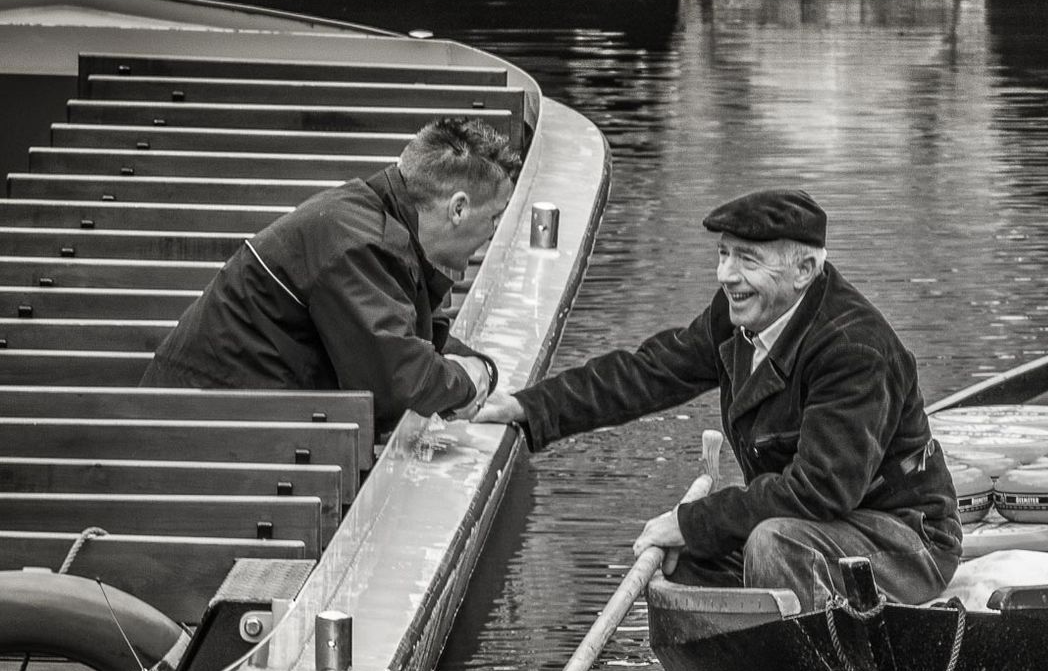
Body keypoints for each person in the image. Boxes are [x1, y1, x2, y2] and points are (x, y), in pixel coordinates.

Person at [473, 188, 962, 608]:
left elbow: (819, 492)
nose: (725, 274)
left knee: (772, 545)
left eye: (747, 259)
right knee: (689, 558)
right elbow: (649, 372)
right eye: (723, 254)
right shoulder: (740, 312)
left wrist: (689, 521)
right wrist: (528, 407)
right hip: (810, 526)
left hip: (905, 540)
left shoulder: (854, 350)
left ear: (806, 269)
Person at [141, 116, 519, 431]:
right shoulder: (358, 243)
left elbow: (407, 341)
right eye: (495, 217)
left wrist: (480, 369)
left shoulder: (370, 221)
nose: (493, 234)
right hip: (192, 436)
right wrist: (469, 384)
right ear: (458, 209)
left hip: (223, 419)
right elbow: (399, 384)